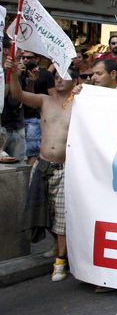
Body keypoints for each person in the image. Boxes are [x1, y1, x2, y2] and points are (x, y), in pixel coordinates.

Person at [6, 59, 77, 281]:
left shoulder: (81, 104)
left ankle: (60, 261)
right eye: (56, 75)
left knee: (62, 216)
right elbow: (19, 96)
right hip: (42, 163)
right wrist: (14, 76)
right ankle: (57, 247)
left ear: (75, 81)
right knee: (43, 209)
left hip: (66, 167)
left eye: (63, 75)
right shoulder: (45, 100)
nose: (58, 78)